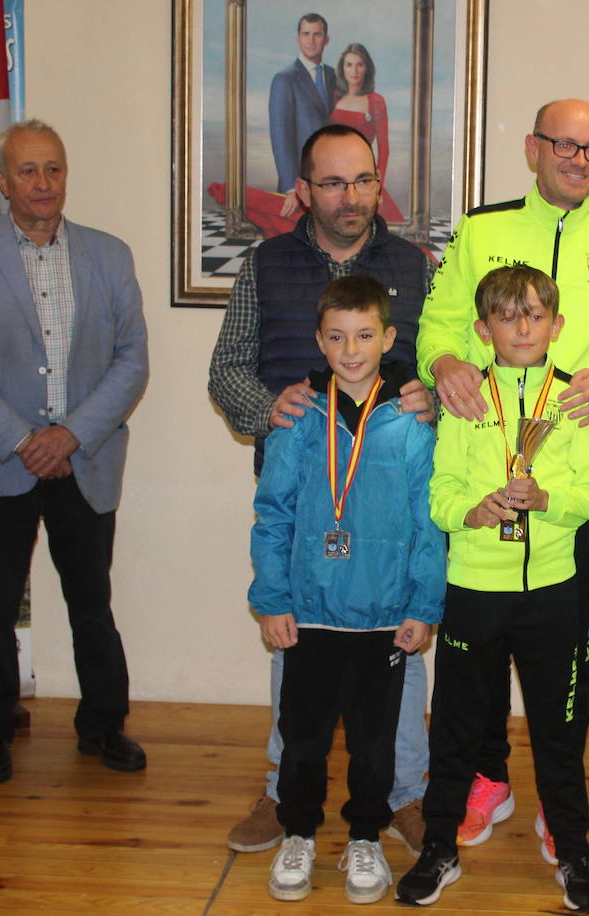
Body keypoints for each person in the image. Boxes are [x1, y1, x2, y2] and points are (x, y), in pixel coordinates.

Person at [415, 97, 589, 859]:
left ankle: (562, 799)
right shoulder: (483, 230)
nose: (580, 160)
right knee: (479, 643)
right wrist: (444, 362)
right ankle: (488, 778)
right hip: (482, 462)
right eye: (566, 145)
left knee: (563, 648)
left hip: (567, 479)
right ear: (533, 148)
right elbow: (440, 322)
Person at [208, 123, 436, 857]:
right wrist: (265, 408)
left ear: (379, 181)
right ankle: (285, 795)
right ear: (303, 189)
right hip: (305, 498)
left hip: (388, 508)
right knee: (295, 658)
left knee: (396, 655)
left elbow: (439, 360)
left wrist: (430, 393)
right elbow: (227, 370)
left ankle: (405, 795)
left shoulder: (414, 265)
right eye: (332, 182)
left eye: (363, 179)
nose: (350, 196)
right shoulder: (265, 264)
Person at [0, 119, 150, 784]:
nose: (42, 183)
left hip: (84, 460)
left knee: (92, 599)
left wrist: (70, 434)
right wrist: (24, 441)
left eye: (52, 169)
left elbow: (132, 361)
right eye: (26, 171)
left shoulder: (108, 255)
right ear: (1, 181)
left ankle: (104, 726)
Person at [397, 265, 589, 910]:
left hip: (552, 589)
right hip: (475, 587)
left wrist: (546, 499)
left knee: (558, 729)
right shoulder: (465, 401)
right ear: (483, 329)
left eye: (536, 315)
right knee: (457, 728)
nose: (523, 327)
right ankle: (439, 847)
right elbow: (440, 495)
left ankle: (573, 850)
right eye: (507, 317)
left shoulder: (575, 399)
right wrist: (474, 511)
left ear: (558, 324)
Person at [251, 275, 444, 904]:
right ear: (319, 340)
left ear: (388, 338)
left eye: (365, 335)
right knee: (302, 734)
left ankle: (366, 836)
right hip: (310, 612)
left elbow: (427, 523)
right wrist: (272, 598)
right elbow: (273, 512)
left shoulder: (411, 423)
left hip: (383, 617)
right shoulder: (299, 416)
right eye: (337, 337)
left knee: (374, 741)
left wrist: (422, 606)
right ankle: (298, 834)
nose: (351, 348)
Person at [329, 42, 404, 223]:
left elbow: (384, 149)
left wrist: (376, 185)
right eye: (349, 65)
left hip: (361, 175)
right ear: (342, 69)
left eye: (359, 65)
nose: (354, 71)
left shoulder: (375, 101)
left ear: (367, 69)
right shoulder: (334, 97)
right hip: (331, 175)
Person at [269, 13, 337, 194]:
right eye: (306, 34)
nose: (311, 40)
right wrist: (291, 188)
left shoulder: (333, 76)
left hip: (331, 180)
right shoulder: (285, 79)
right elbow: (280, 139)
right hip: (300, 184)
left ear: (326, 40)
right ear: (298, 39)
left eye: (317, 34)